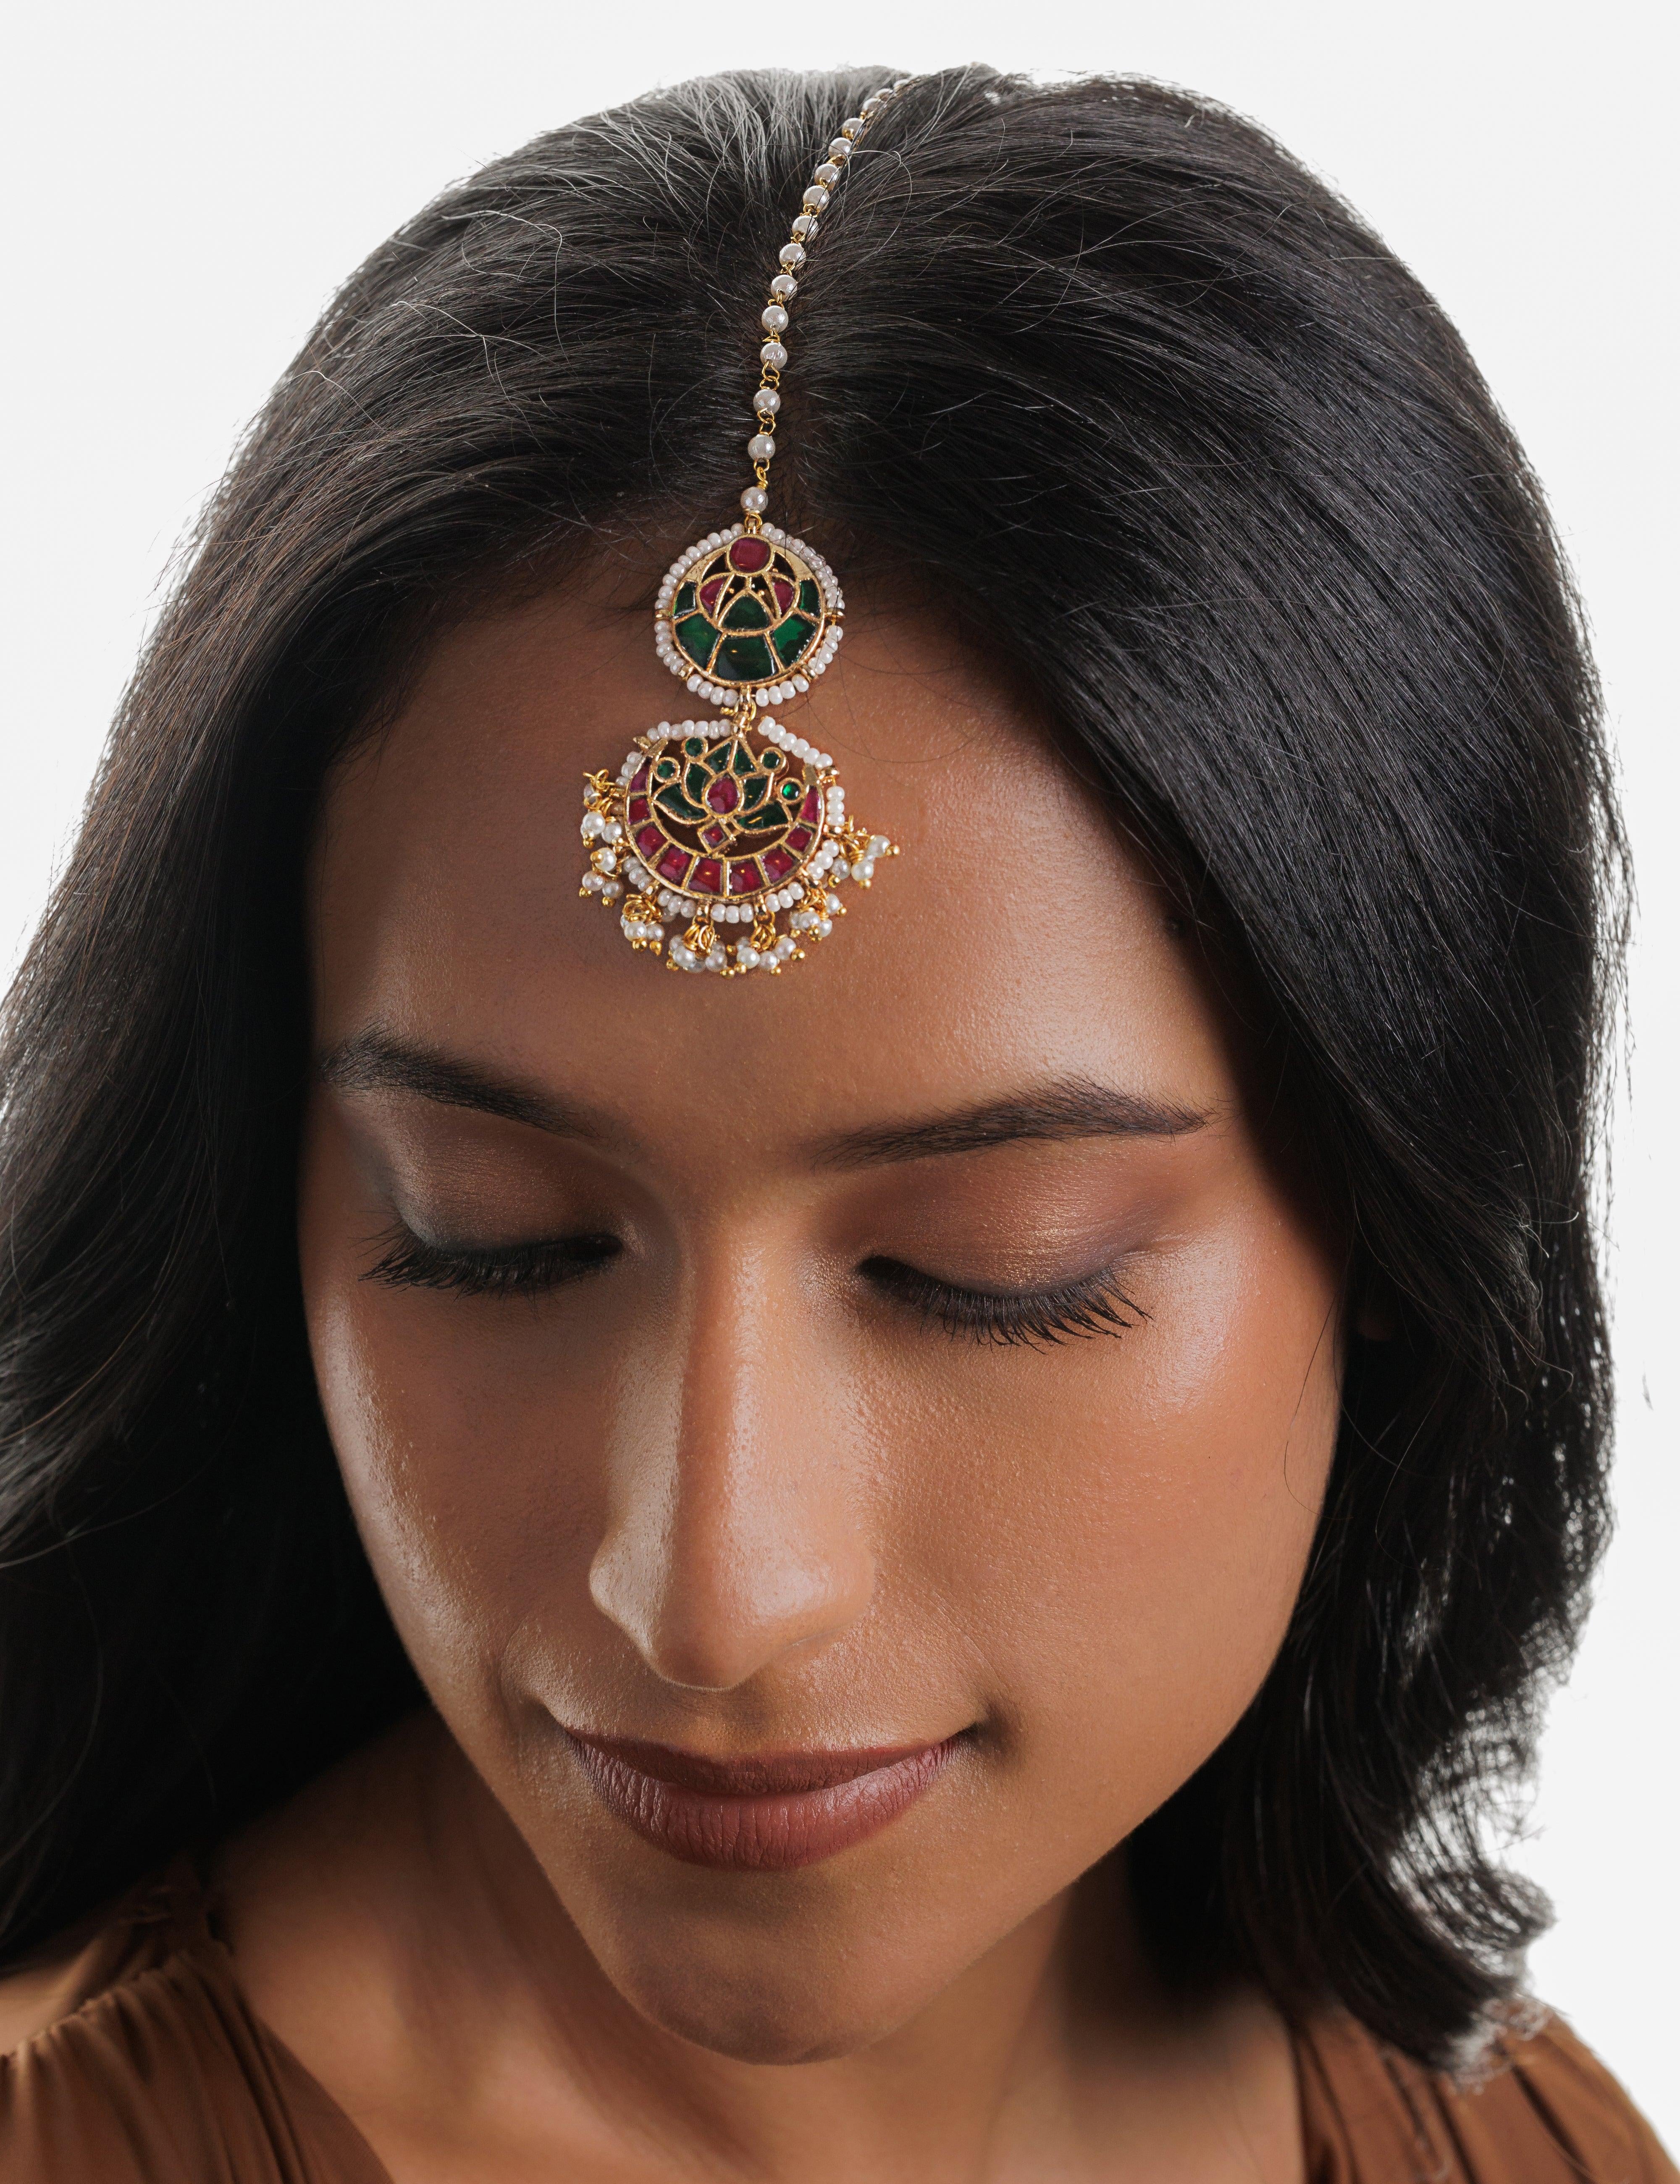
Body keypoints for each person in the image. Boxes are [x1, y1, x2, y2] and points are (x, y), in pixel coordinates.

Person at [0, 63, 1669, 2184]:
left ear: (1402, 1235)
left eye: (991, 1276)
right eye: (492, 1232)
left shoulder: (1520, 2142)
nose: (709, 1591)